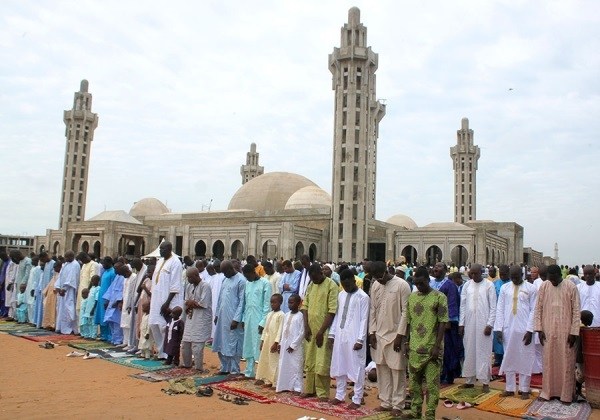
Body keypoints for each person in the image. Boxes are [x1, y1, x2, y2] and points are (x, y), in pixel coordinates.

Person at [368, 260, 411, 415]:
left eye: (380, 277)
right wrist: (371, 332)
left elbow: (406, 312)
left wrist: (400, 335)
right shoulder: (375, 286)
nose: (379, 280)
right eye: (375, 278)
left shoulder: (402, 285)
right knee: (382, 369)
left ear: (386, 271)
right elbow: (373, 310)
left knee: (397, 370)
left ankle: (398, 405)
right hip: (379, 335)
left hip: (395, 335)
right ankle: (385, 402)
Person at [405, 266, 448, 420]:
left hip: (431, 349)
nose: (419, 286)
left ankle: (429, 414)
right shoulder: (412, 297)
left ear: (428, 280)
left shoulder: (439, 297)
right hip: (415, 348)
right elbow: (409, 322)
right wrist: (406, 343)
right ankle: (415, 411)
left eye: (421, 283)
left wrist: (437, 346)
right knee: (414, 385)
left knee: (431, 386)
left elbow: (443, 322)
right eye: (416, 284)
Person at [534, 264, 580, 404]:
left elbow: (576, 311)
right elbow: (538, 308)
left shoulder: (571, 287)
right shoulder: (544, 286)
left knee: (566, 361)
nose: (552, 282)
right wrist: (539, 329)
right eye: (550, 279)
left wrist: (573, 332)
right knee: (548, 361)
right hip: (548, 330)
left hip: (566, 332)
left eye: (554, 279)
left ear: (560, 275)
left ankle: (566, 395)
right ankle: (548, 392)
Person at [328, 269, 370, 409]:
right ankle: (339, 395)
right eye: (344, 285)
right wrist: (332, 335)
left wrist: (360, 339)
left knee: (357, 367)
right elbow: (338, 316)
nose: (346, 287)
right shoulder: (341, 295)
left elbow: (364, 319)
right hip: (340, 334)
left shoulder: (363, 297)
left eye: (348, 284)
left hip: (355, 337)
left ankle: (357, 399)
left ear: (353, 280)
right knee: (340, 365)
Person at [494, 265, 537, 399]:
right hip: (508, 329)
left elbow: (534, 310)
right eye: (512, 277)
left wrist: (530, 330)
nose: (514, 280)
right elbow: (500, 308)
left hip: (525, 330)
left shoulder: (531, 288)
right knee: (509, 357)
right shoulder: (505, 288)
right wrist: (498, 328)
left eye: (516, 277)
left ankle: (524, 389)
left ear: (522, 275)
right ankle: (510, 388)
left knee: (526, 357)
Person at [301, 263, 338, 401]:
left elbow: (332, 310)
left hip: (324, 330)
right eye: (312, 278)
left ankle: (322, 393)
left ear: (321, 273)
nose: (314, 281)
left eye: (315, 278)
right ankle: (310, 389)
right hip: (310, 329)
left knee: (322, 362)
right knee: (310, 360)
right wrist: (306, 327)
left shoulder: (331, 285)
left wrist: (321, 331)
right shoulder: (311, 285)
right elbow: (305, 306)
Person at [459, 263, 496, 393]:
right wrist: (461, 324)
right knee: (469, 350)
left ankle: (485, 381)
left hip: (484, 324)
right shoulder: (467, 286)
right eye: (471, 274)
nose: (473, 276)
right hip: (469, 323)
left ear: (481, 272)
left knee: (484, 352)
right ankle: (469, 381)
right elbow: (462, 306)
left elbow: (493, 307)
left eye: (475, 273)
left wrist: (490, 324)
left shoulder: (489, 285)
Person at [149, 241, 183, 359]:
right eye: (160, 249)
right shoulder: (160, 262)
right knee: (154, 324)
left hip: (168, 300)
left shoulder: (175, 262)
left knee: (165, 328)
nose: (160, 251)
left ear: (169, 249)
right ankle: (161, 352)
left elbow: (175, 285)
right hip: (156, 300)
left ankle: (169, 353)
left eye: (163, 249)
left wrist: (167, 303)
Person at [212, 260, 245, 375]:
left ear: (231, 269)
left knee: (233, 343)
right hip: (222, 317)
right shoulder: (225, 279)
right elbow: (220, 298)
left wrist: (236, 319)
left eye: (225, 272)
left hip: (233, 318)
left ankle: (234, 370)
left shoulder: (241, 280)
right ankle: (224, 367)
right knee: (222, 342)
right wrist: (217, 314)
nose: (224, 274)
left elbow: (242, 302)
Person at [430, 262, 461, 385]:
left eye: (439, 266)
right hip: (432, 322)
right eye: (435, 266)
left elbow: (452, 303)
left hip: (445, 324)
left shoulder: (450, 285)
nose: (436, 268)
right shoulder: (431, 284)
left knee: (447, 350)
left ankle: (447, 375)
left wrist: (449, 320)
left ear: (445, 270)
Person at [242, 263, 271, 378]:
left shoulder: (265, 284)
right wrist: (244, 319)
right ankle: (249, 371)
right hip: (248, 318)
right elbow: (246, 303)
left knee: (259, 345)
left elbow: (267, 304)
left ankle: (261, 373)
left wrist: (263, 322)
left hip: (259, 319)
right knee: (248, 344)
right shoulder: (247, 283)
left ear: (253, 273)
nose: (247, 278)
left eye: (248, 276)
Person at [181, 267, 212, 371]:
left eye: (189, 277)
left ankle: (199, 368)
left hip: (201, 319)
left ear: (196, 276)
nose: (188, 280)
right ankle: (187, 364)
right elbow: (186, 300)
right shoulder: (189, 286)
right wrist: (192, 303)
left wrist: (192, 303)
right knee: (185, 343)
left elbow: (203, 303)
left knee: (197, 346)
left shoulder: (205, 286)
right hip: (190, 317)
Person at [275, 294, 305, 394]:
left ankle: (297, 388)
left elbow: (302, 332)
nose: (289, 304)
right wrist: (280, 343)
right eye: (289, 302)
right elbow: (283, 331)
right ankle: (284, 385)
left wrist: (293, 345)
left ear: (299, 303)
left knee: (296, 366)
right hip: (285, 345)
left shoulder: (301, 316)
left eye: (292, 302)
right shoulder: (286, 315)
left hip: (295, 347)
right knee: (284, 364)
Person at [255, 293, 284, 387]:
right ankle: (266, 379)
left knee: (273, 361)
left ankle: (274, 382)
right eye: (271, 302)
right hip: (267, 340)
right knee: (265, 359)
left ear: (280, 303)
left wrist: (276, 343)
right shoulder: (269, 314)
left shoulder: (281, 315)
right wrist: (262, 340)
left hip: (274, 342)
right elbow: (265, 329)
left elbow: (280, 330)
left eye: (274, 302)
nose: (272, 304)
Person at [55, 250, 80, 335]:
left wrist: (64, 289)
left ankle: (70, 329)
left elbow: (71, 278)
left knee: (69, 309)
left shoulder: (75, 265)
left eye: (67, 257)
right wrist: (58, 287)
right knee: (61, 309)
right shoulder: (65, 264)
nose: (65, 259)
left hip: (70, 291)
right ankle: (62, 328)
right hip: (62, 291)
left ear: (71, 257)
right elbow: (60, 276)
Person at [492, 265, 511, 367]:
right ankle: (497, 358)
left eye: (505, 274)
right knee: (497, 336)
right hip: (497, 313)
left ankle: (507, 357)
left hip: (508, 313)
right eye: (501, 274)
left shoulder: (512, 284)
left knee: (507, 336)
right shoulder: (495, 284)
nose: (502, 276)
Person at [103, 263, 125, 345]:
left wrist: (118, 301)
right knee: (110, 321)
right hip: (111, 301)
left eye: (116, 269)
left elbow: (122, 291)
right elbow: (110, 289)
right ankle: (113, 338)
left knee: (117, 322)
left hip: (117, 303)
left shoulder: (123, 278)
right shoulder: (117, 277)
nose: (115, 270)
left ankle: (118, 340)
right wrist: (107, 300)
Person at [95, 257, 116, 341]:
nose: (103, 265)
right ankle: (103, 335)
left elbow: (112, 287)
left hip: (107, 298)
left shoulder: (113, 272)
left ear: (109, 263)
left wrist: (108, 299)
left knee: (106, 316)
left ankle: (109, 336)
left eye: (104, 263)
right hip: (101, 296)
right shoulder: (104, 272)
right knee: (101, 316)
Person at [34, 252, 54, 328]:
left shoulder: (53, 263)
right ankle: (43, 323)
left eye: (42, 259)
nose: (42, 261)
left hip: (50, 289)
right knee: (43, 307)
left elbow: (53, 277)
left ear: (45, 256)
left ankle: (48, 324)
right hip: (44, 289)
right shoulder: (46, 264)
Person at [42, 261, 61, 330]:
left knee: (54, 311)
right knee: (48, 309)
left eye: (55, 268)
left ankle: (53, 325)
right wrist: (45, 291)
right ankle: (48, 324)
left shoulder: (61, 274)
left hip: (56, 295)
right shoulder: (55, 275)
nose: (54, 269)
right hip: (50, 295)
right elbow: (50, 284)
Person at [25, 256, 41, 323]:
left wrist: (33, 289)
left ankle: (33, 321)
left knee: (32, 304)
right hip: (29, 287)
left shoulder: (38, 268)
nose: (32, 262)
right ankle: (29, 320)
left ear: (37, 261)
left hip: (33, 288)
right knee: (29, 304)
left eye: (33, 261)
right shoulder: (32, 268)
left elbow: (36, 280)